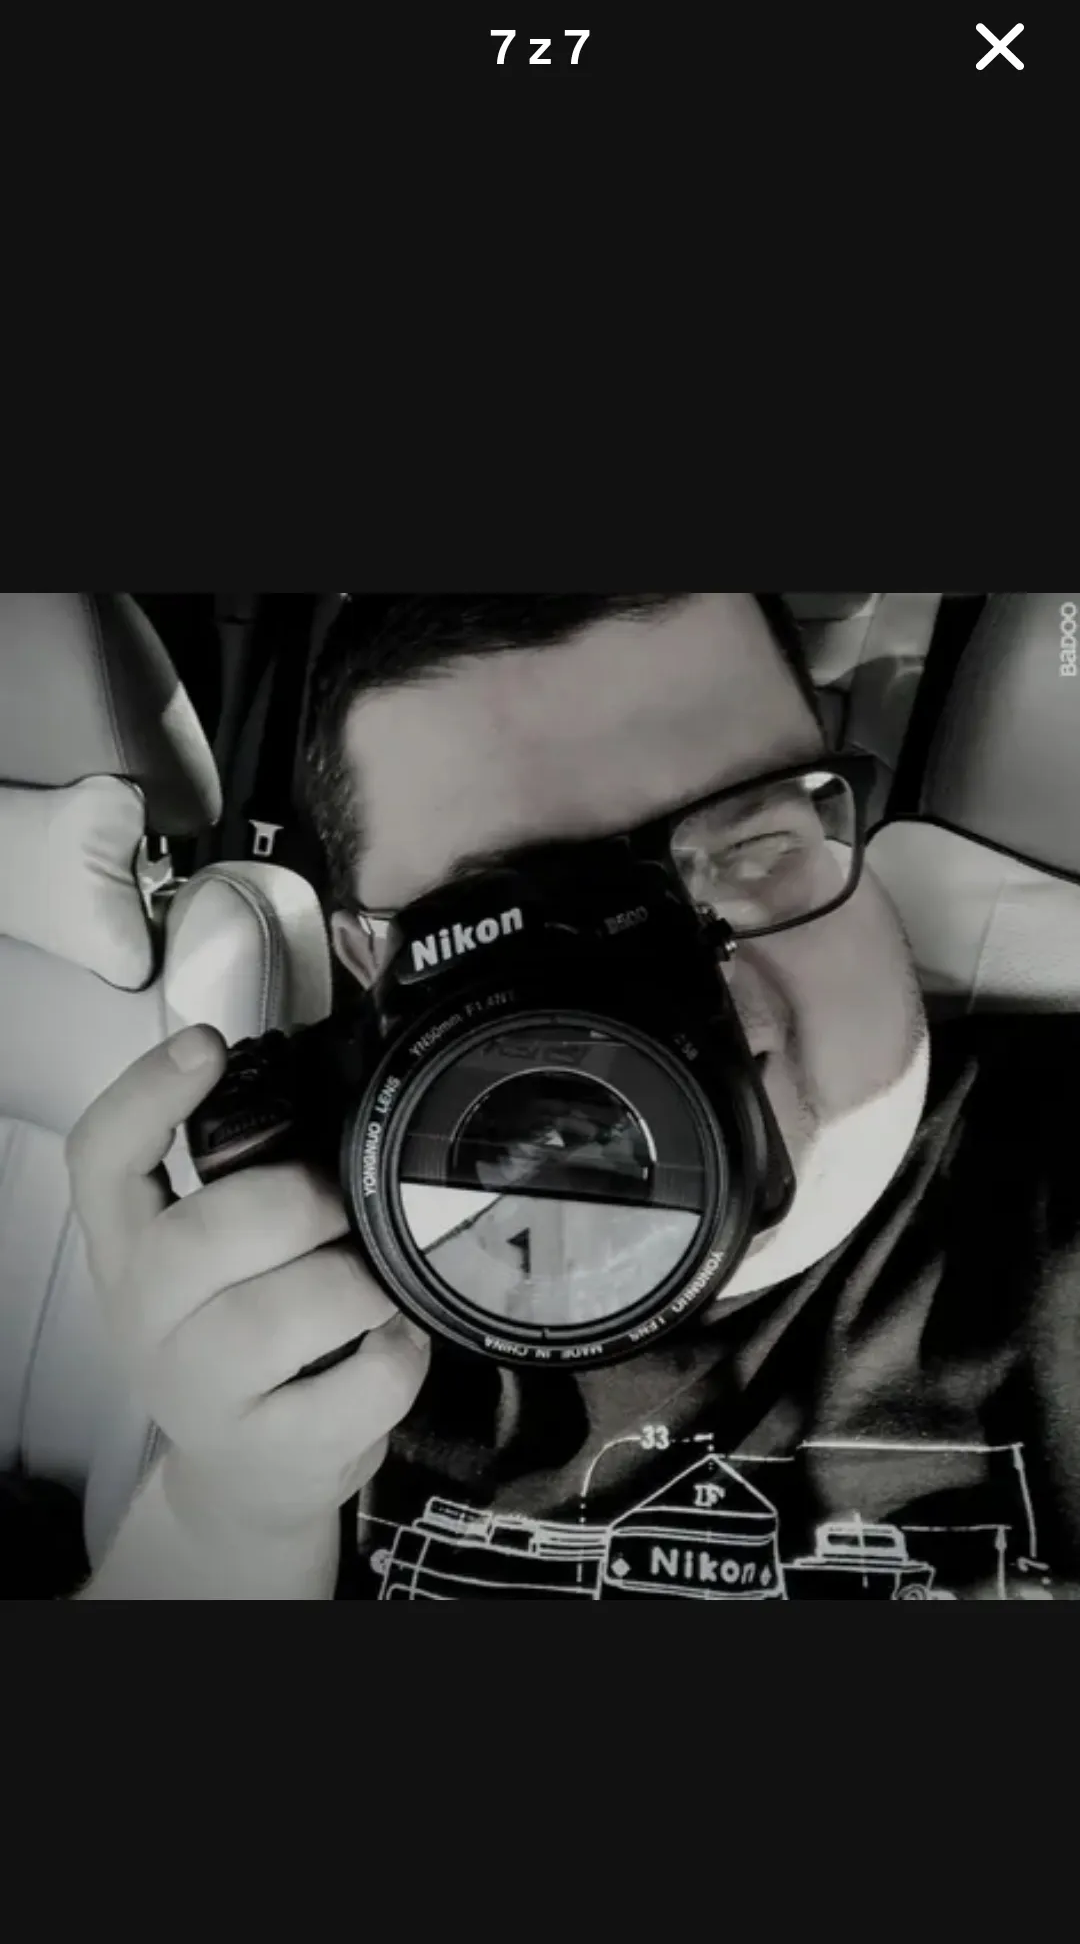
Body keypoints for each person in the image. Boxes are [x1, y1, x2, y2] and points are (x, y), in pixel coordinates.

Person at [58, 591, 1080, 1600]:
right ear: (374, 971)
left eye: (754, 847)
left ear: (837, 823)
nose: (701, 1011)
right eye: (519, 926)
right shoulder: (312, 1271)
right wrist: (226, 1519)